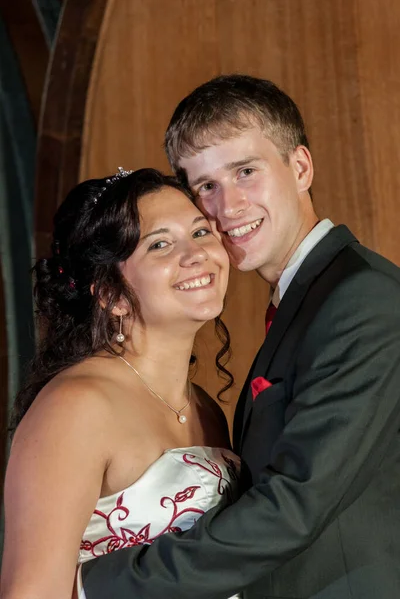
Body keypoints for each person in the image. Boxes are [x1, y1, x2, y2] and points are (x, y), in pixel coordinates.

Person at [80, 75, 400, 598]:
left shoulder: (360, 300)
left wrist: (99, 585)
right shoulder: (306, 300)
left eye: (245, 172)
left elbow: (294, 506)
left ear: (300, 167)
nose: (227, 207)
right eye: (205, 186)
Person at [0, 168, 242, 599]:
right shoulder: (76, 406)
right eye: (160, 244)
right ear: (110, 295)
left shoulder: (203, 407)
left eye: (201, 232)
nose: (197, 254)